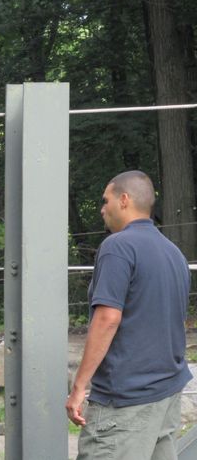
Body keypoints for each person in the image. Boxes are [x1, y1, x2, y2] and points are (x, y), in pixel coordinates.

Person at [66, 170, 192, 460]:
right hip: (166, 394)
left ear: (124, 200)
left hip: (125, 401)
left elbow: (108, 318)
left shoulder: (118, 246)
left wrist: (79, 386)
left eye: (105, 200)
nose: (101, 208)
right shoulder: (174, 253)